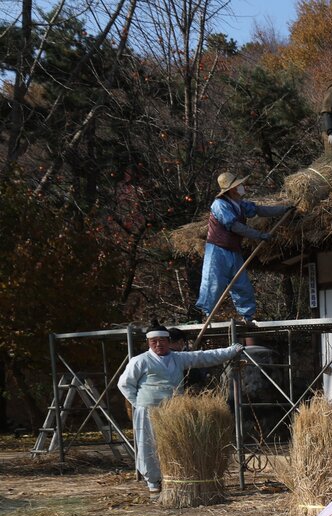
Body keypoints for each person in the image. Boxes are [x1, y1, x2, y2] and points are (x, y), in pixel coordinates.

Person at [118, 326, 244, 494]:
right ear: (148, 342)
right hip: (147, 410)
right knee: (148, 444)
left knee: (173, 444)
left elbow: (205, 357)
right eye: (154, 341)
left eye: (162, 340)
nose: (158, 344)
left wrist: (231, 351)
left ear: (168, 342)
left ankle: (172, 478)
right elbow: (124, 384)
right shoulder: (140, 360)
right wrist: (139, 403)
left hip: (173, 411)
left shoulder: (178, 358)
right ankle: (153, 482)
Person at [194, 172, 291, 323]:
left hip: (234, 251)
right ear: (231, 189)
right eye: (238, 185)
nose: (241, 187)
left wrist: (284, 209)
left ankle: (247, 315)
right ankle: (207, 314)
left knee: (241, 283)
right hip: (217, 250)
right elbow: (234, 226)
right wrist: (258, 235)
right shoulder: (219, 205)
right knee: (214, 282)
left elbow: (259, 210)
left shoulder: (239, 204)